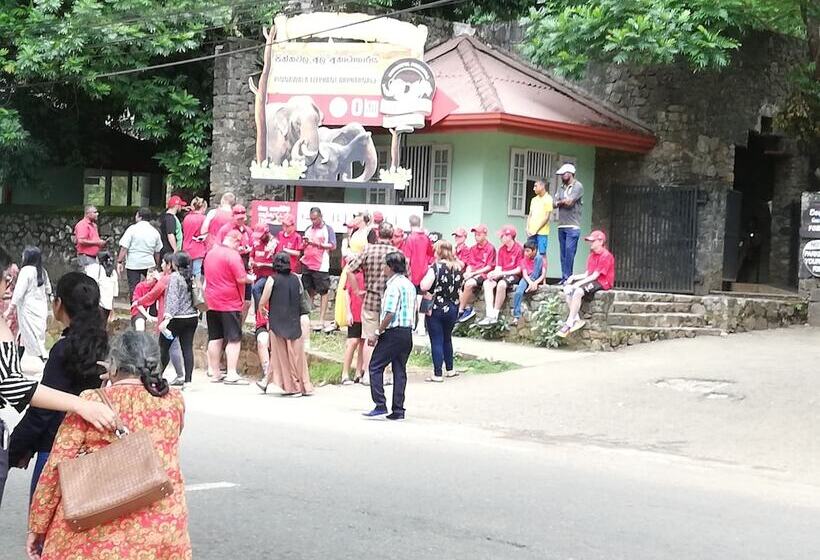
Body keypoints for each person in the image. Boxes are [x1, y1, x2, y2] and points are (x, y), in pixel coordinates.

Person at [27, 331, 191, 560]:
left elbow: (57, 467)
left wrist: (38, 526)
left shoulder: (92, 402)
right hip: (160, 525)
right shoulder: (173, 401)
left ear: (112, 364)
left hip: (94, 527)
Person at [0, 246, 117, 508]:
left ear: (59, 304)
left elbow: (40, 409)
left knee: (45, 533)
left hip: (55, 448)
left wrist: (17, 449)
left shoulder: (64, 348)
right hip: (91, 448)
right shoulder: (104, 345)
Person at [362, 252, 415, 421]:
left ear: (391, 267)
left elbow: (390, 312)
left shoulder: (393, 286)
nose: (383, 268)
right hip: (406, 331)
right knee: (399, 370)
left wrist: (378, 332)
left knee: (375, 366)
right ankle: (398, 408)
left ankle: (380, 403)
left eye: (385, 265)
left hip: (393, 332)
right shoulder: (409, 285)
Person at [347, 222, 401, 385]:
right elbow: (407, 279)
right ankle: (386, 374)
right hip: (391, 303)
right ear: (392, 236)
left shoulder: (368, 250)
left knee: (370, 338)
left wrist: (357, 291)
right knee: (389, 338)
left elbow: (350, 269)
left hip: (370, 300)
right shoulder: (397, 253)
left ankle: (368, 375)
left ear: (378, 234)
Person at [257, 253, 313, 396]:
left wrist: (263, 311)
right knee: (296, 356)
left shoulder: (272, 279)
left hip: (277, 322)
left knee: (279, 355)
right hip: (294, 321)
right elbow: (302, 299)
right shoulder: (296, 279)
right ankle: (302, 385)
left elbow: (263, 300)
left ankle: (293, 386)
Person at [204, 230, 255, 385]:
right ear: (235, 240)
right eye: (239, 243)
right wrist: (250, 278)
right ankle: (231, 373)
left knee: (215, 337)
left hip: (212, 301)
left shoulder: (211, 253)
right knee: (233, 339)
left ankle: (214, 372)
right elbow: (240, 278)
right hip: (229, 301)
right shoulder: (232, 256)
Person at [136, 254, 186, 383]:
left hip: (166, 315)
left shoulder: (165, 280)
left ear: (169, 265)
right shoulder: (181, 277)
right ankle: (167, 374)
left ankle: (176, 375)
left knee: (168, 346)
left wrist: (138, 301)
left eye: (164, 263)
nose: (162, 265)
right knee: (171, 345)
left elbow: (152, 294)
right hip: (181, 314)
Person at [419, 240, 463, 382]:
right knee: (447, 338)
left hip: (437, 308)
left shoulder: (436, 268)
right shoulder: (458, 267)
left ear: (439, 251)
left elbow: (424, 286)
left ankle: (437, 373)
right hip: (453, 307)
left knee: (436, 340)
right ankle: (450, 369)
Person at [558, 230, 615, 337]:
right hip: (594, 280)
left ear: (601, 241)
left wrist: (577, 284)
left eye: (593, 241)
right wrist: (573, 277)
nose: (590, 243)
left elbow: (595, 276)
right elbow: (587, 274)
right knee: (567, 290)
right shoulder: (591, 256)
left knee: (578, 291)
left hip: (603, 282)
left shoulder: (606, 256)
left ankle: (569, 322)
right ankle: (576, 319)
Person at [159, 252, 199, 387]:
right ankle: (188, 380)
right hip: (191, 317)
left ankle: (158, 376)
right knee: (187, 348)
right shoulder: (191, 276)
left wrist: (167, 318)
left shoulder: (175, 277)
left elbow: (173, 299)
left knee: (164, 346)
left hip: (176, 319)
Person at [5, 246, 51, 362]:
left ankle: (42, 359)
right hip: (41, 309)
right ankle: (18, 360)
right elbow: (48, 290)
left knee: (31, 338)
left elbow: (18, 293)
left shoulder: (26, 271)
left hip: (28, 309)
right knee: (28, 337)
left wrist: (9, 310)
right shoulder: (43, 271)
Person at [478, 225, 523, 326]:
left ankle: (495, 314)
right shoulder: (502, 249)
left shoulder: (519, 248)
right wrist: (493, 274)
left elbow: (518, 269)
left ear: (509, 236)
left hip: (514, 275)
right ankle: (489, 313)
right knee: (487, 283)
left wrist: (501, 273)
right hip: (503, 273)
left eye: (502, 236)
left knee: (502, 284)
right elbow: (499, 267)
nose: (500, 238)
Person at [301, 207, 336, 332]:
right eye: (311, 219)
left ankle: (321, 319)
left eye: (315, 219)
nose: (313, 221)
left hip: (321, 265)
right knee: (308, 290)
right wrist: (305, 243)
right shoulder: (308, 229)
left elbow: (333, 245)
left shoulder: (328, 229)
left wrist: (318, 244)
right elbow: (302, 245)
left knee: (323, 291)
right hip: (307, 263)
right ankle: (307, 318)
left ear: (320, 217)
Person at [218, 205, 253, 321]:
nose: (241, 221)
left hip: (244, 269)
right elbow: (218, 250)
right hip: (229, 271)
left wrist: (251, 254)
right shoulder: (225, 230)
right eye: (238, 218)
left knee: (247, 302)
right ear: (232, 216)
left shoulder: (248, 231)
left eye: (243, 218)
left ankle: (239, 328)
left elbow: (253, 247)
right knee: (232, 302)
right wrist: (239, 250)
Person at [117, 207, 162, 298]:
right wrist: (156, 265)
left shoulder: (132, 229)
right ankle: (150, 309)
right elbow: (157, 251)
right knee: (150, 287)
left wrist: (119, 261)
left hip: (133, 263)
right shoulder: (154, 231)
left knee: (134, 288)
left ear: (139, 216)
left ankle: (135, 308)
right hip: (149, 262)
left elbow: (124, 247)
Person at [402, 215, 434, 336]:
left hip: (413, 273)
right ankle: (421, 326)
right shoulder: (426, 238)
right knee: (423, 300)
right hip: (424, 272)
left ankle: (411, 325)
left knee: (412, 301)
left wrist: (407, 274)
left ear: (410, 224)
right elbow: (431, 254)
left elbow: (407, 259)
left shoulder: (410, 238)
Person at [457, 225, 496, 323]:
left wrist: (473, 273)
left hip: (483, 274)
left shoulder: (490, 248)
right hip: (473, 273)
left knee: (469, 283)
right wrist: (468, 271)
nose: (476, 237)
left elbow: (489, 267)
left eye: (479, 234)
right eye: (475, 235)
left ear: (485, 235)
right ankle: (466, 307)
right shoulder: (473, 248)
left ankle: (461, 310)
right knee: (458, 282)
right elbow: (470, 264)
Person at [554, 163, 584, 283]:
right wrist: (562, 202)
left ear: (570, 174)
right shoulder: (561, 187)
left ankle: (568, 278)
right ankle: (564, 277)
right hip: (561, 224)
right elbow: (553, 203)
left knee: (569, 252)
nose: (561, 176)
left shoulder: (578, 186)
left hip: (573, 226)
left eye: (563, 174)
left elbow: (570, 202)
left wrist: (560, 202)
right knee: (563, 253)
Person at [512, 240, 546, 325]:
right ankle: (516, 316)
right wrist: (530, 282)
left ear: (534, 250)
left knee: (539, 257)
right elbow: (524, 274)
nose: (526, 253)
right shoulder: (523, 260)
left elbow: (543, 274)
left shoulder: (540, 259)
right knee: (518, 292)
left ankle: (532, 282)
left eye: (528, 251)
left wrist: (535, 283)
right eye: (525, 251)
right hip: (527, 279)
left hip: (537, 278)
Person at [85, 250, 119, 323]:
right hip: (107, 305)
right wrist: (112, 310)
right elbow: (114, 293)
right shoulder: (113, 272)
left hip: (98, 303)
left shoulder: (95, 269)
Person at [250, 223, 276, 311]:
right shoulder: (256, 242)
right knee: (257, 292)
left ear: (266, 233)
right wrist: (252, 262)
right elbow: (251, 255)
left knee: (255, 289)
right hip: (256, 274)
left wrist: (263, 264)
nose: (259, 238)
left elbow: (278, 265)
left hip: (269, 276)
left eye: (261, 236)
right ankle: (259, 318)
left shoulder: (275, 243)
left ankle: (261, 313)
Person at [526, 177, 554, 258]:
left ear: (542, 186)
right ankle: (532, 270)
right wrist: (527, 227)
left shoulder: (548, 199)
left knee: (542, 254)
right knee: (530, 253)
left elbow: (546, 217)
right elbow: (530, 215)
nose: (534, 188)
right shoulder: (534, 200)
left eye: (536, 186)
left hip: (542, 232)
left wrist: (536, 230)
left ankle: (543, 271)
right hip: (531, 232)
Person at [182, 197, 208, 278]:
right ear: (203, 207)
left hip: (186, 247)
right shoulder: (204, 218)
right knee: (196, 272)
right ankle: (196, 289)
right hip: (198, 248)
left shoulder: (187, 218)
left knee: (186, 271)